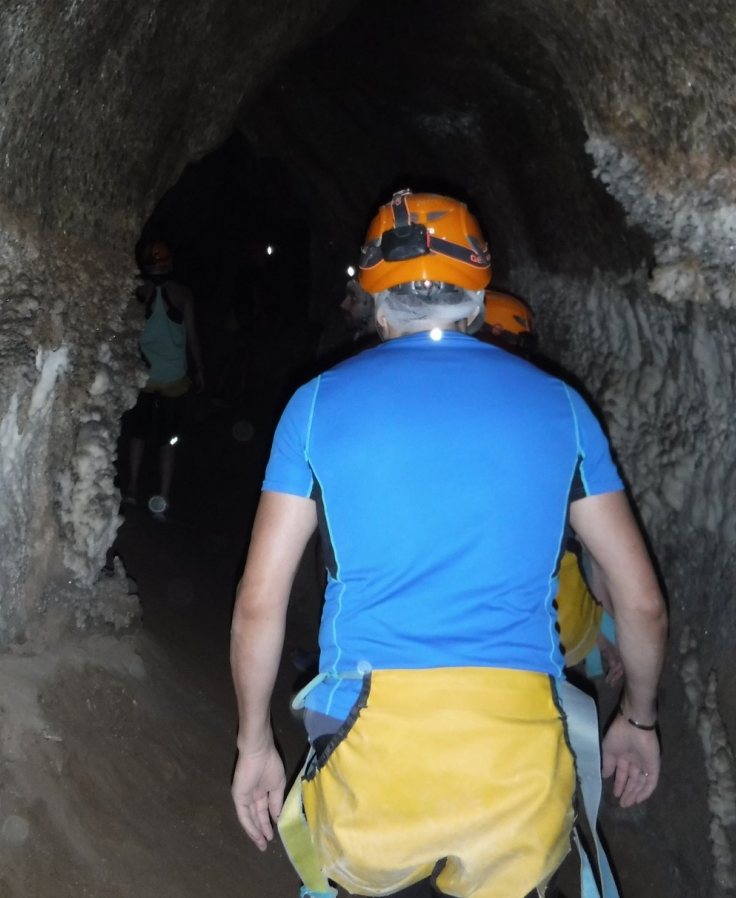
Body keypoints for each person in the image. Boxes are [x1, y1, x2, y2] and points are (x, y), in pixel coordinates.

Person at [231, 190, 666, 898]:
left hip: (370, 753)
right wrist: (639, 719)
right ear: (478, 300)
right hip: (516, 763)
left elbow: (258, 604)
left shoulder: (314, 406)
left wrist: (254, 744)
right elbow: (640, 602)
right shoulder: (562, 407)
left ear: (376, 303)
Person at [481, 290, 624, 687]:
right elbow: (597, 551)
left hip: (471, 635)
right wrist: (608, 633)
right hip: (562, 631)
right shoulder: (554, 411)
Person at [122, 241, 204, 517]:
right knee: (168, 440)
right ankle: (163, 497)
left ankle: (132, 488)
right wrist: (200, 369)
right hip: (173, 378)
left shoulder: (138, 292)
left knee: (138, 433)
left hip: (144, 375)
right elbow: (192, 337)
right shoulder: (182, 294)